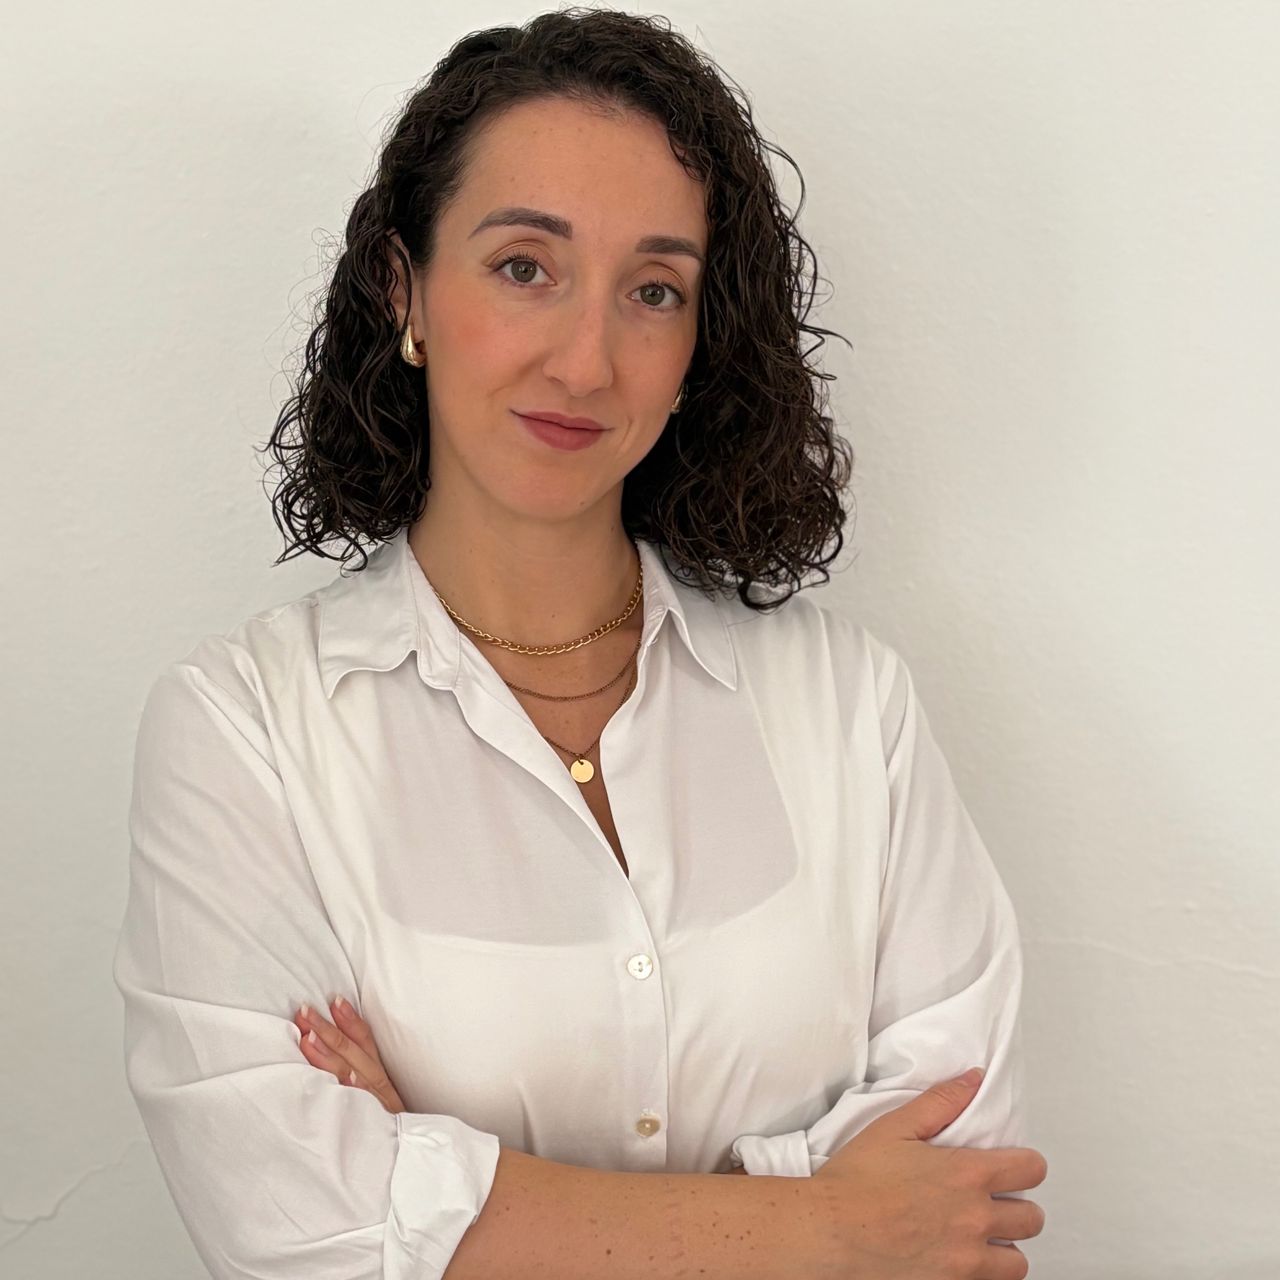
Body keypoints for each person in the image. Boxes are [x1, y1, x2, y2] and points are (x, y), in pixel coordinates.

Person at [112, 8, 1047, 1279]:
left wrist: (442, 1190)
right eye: (523, 267)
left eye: (652, 290)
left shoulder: (848, 706)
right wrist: (831, 1221)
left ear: (699, 342)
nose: (585, 359)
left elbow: (958, 1197)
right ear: (403, 289)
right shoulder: (243, 733)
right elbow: (302, 1239)